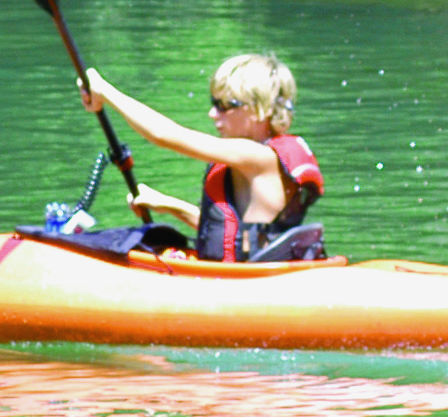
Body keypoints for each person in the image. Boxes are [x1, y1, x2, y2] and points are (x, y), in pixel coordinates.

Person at [79, 51, 326, 263]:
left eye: (224, 105)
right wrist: (170, 206)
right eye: (213, 102)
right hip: (248, 277)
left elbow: (164, 135)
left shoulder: (259, 157)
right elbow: (241, 238)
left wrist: (105, 92)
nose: (211, 113)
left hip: (246, 289)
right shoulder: (251, 162)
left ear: (258, 110)